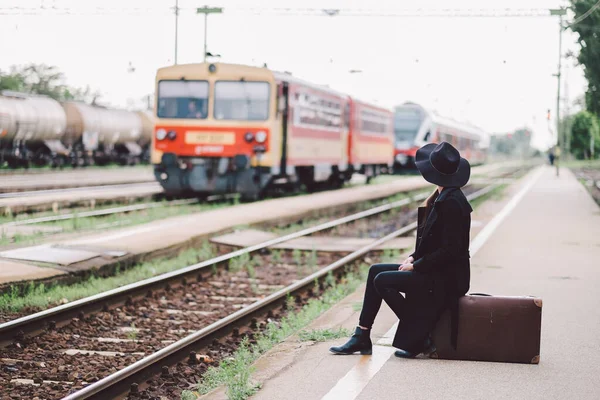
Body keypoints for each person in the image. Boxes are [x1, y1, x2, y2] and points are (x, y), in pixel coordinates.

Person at [330, 141, 472, 358]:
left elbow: (450, 251)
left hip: (448, 278)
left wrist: (416, 266)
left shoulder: (452, 203)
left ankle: (420, 335)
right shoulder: (443, 197)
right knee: (375, 271)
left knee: (383, 281)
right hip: (436, 270)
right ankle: (362, 335)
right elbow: (433, 242)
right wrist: (414, 257)